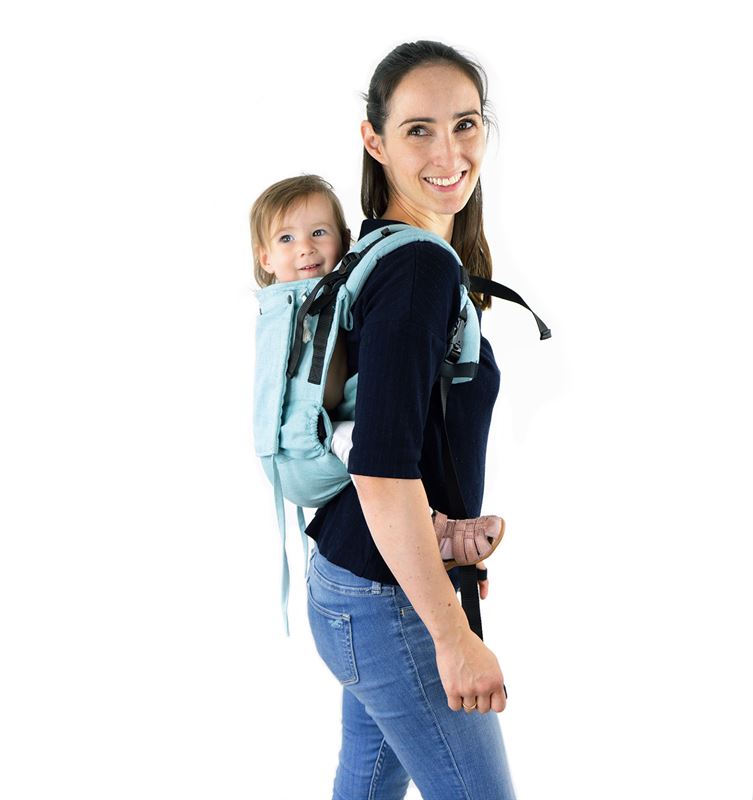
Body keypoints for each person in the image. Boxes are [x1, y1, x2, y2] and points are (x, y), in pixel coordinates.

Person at [302, 41, 518, 799]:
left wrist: (450, 544)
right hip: (387, 602)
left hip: (351, 579)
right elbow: (380, 468)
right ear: (375, 141)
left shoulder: (380, 246)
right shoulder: (419, 267)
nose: (449, 153)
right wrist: (450, 635)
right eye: (418, 129)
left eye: (465, 124)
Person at [249, 174, 506, 572]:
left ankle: (439, 536)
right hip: (300, 451)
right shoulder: (288, 308)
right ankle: (429, 530)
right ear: (265, 258)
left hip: (324, 478)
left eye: (318, 232)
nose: (305, 248)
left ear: (345, 239)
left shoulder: (344, 288)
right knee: (373, 450)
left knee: (374, 445)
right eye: (286, 239)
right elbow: (322, 394)